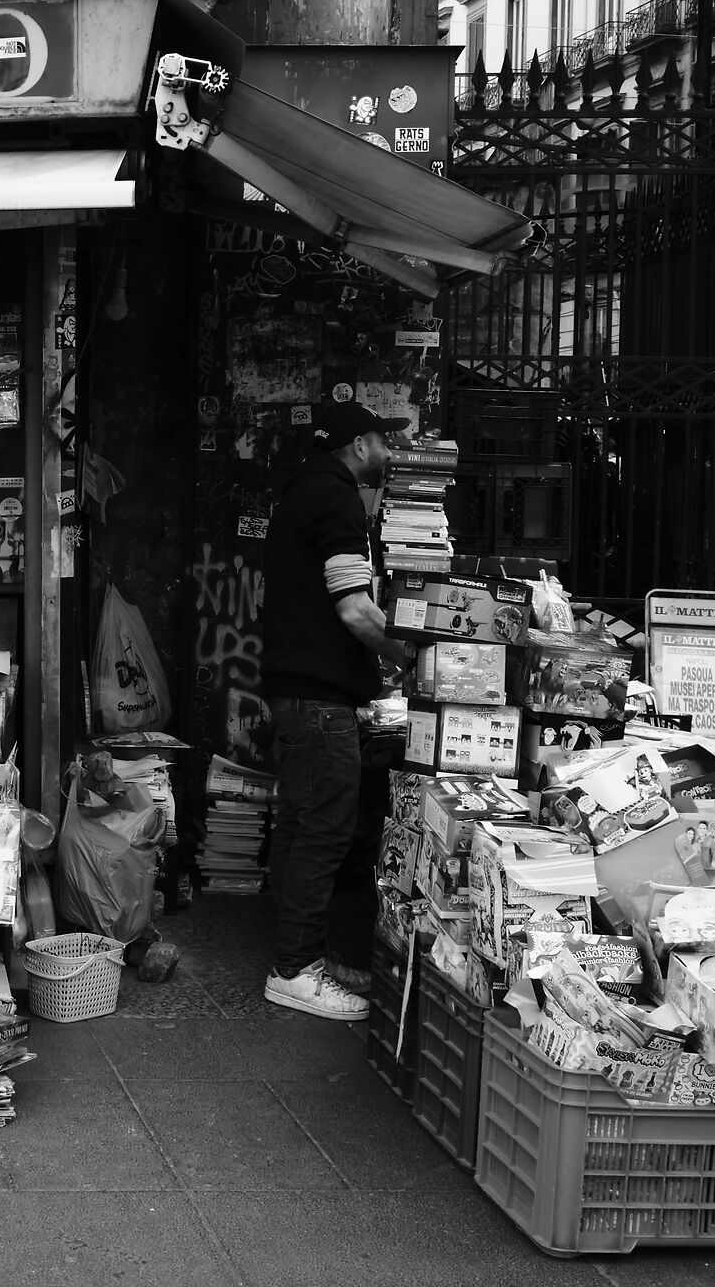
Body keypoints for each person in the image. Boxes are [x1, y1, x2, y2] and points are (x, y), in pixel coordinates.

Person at [256, 400, 417, 1020]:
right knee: (325, 829)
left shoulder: (298, 494)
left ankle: (303, 954)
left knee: (302, 826)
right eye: (383, 441)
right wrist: (406, 655)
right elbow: (354, 609)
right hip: (319, 699)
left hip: (296, 693)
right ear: (357, 445)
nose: (388, 452)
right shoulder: (338, 498)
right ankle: (294, 969)